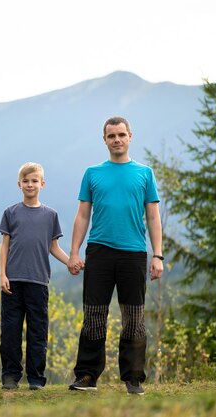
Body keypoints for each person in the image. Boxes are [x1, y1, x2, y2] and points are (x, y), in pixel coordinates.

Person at [67, 116, 163, 395]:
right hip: (98, 251)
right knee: (94, 315)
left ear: (130, 136)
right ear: (105, 140)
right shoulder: (92, 173)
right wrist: (74, 252)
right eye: (112, 136)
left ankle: (133, 378)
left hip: (134, 252)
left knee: (134, 318)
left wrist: (158, 255)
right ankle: (87, 376)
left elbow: (154, 216)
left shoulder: (144, 173)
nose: (117, 139)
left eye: (122, 134)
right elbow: (83, 214)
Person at [0, 162, 71, 390]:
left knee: (38, 333)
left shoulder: (51, 215)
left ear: (42, 184)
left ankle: (36, 379)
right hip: (13, 281)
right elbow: (4, 247)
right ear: (19, 184)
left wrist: (71, 262)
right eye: (26, 181)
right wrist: (2, 275)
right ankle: (10, 377)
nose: (30, 184)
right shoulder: (11, 213)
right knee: (10, 332)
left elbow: (54, 247)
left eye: (34, 181)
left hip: (38, 282)